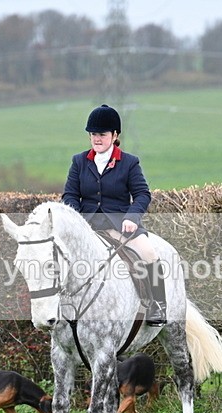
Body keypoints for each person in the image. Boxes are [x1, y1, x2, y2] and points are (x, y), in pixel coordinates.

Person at [62, 104, 167, 327]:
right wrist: (75, 218)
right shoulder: (79, 162)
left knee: (148, 252)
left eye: (102, 134)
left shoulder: (129, 162)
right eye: (93, 134)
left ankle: (158, 305)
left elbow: (142, 194)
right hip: (86, 226)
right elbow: (70, 194)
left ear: (115, 135)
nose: (96, 139)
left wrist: (132, 217)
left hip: (120, 225)